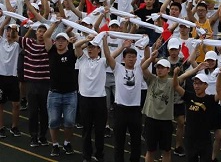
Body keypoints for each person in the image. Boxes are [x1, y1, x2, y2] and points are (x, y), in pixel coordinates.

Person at [103, 36, 148, 162]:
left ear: (136, 59)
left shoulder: (139, 69)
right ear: (124, 58)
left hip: (135, 110)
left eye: (133, 57)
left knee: (136, 142)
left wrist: (146, 44)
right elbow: (108, 56)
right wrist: (105, 40)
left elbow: (148, 57)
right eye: (129, 57)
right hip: (120, 109)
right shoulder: (118, 68)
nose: (131, 59)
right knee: (119, 141)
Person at [43, 22, 77, 157]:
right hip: (54, 93)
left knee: (69, 121)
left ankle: (67, 142)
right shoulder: (51, 51)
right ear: (55, 42)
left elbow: (81, 46)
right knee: (53, 121)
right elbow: (46, 36)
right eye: (58, 40)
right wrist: (55, 24)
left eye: (63, 40)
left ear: (68, 42)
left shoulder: (72, 53)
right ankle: (55, 144)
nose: (60, 42)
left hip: (70, 93)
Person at [75, 34, 108, 162]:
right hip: (85, 99)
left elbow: (111, 55)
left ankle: (99, 155)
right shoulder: (82, 59)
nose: (90, 49)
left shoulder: (103, 61)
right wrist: (87, 40)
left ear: (99, 50)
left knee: (100, 130)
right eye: (89, 47)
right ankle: (86, 156)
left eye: (93, 47)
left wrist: (104, 41)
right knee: (86, 130)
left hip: (99, 99)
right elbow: (77, 46)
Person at [174, 65, 219, 162]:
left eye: (199, 84)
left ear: (206, 85)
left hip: (204, 139)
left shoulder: (210, 99)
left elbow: (220, 92)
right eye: (195, 83)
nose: (196, 86)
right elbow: (176, 86)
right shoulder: (189, 96)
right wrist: (175, 75)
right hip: (190, 138)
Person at [141, 53, 178, 162]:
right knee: (150, 150)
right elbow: (143, 67)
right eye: (157, 67)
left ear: (168, 69)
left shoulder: (172, 82)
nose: (159, 70)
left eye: (162, 68)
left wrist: (176, 74)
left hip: (165, 121)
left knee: (166, 150)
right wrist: (151, 58)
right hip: (151, 120)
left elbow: (184, 76)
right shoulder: (152, 79)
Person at [0, 22, 21, 138]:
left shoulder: (18, 45)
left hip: (13, 77)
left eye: (12, 31)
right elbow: (1, 28)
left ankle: (14, 127)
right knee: (0, 104)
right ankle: (0, 127)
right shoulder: (1, 42)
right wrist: (7, 18)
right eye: (7, 30)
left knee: (16, 104)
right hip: (1, 76)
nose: (9, 33)